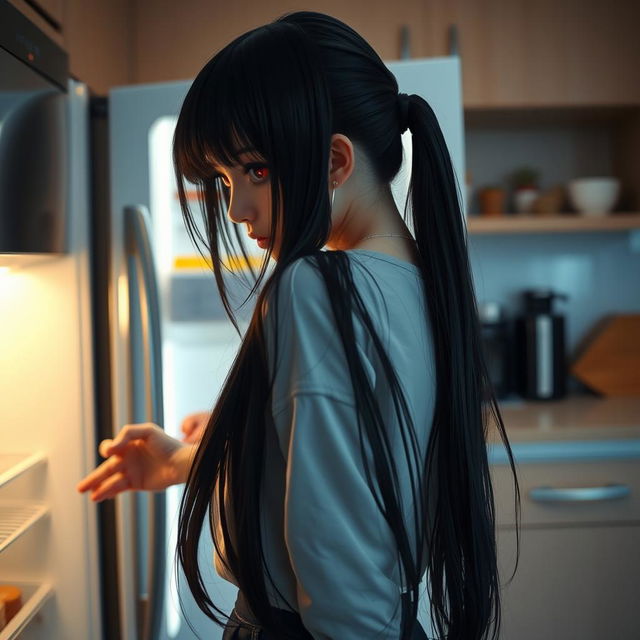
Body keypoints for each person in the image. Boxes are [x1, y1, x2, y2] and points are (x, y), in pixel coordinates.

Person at [77, 11, 521, 640]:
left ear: (336, 160)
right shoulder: (420, 283)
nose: (236, 207)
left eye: (253, 169)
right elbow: (355, 483)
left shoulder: (317, 287)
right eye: (225, 180)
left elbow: (340, 563)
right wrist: (196, 457)